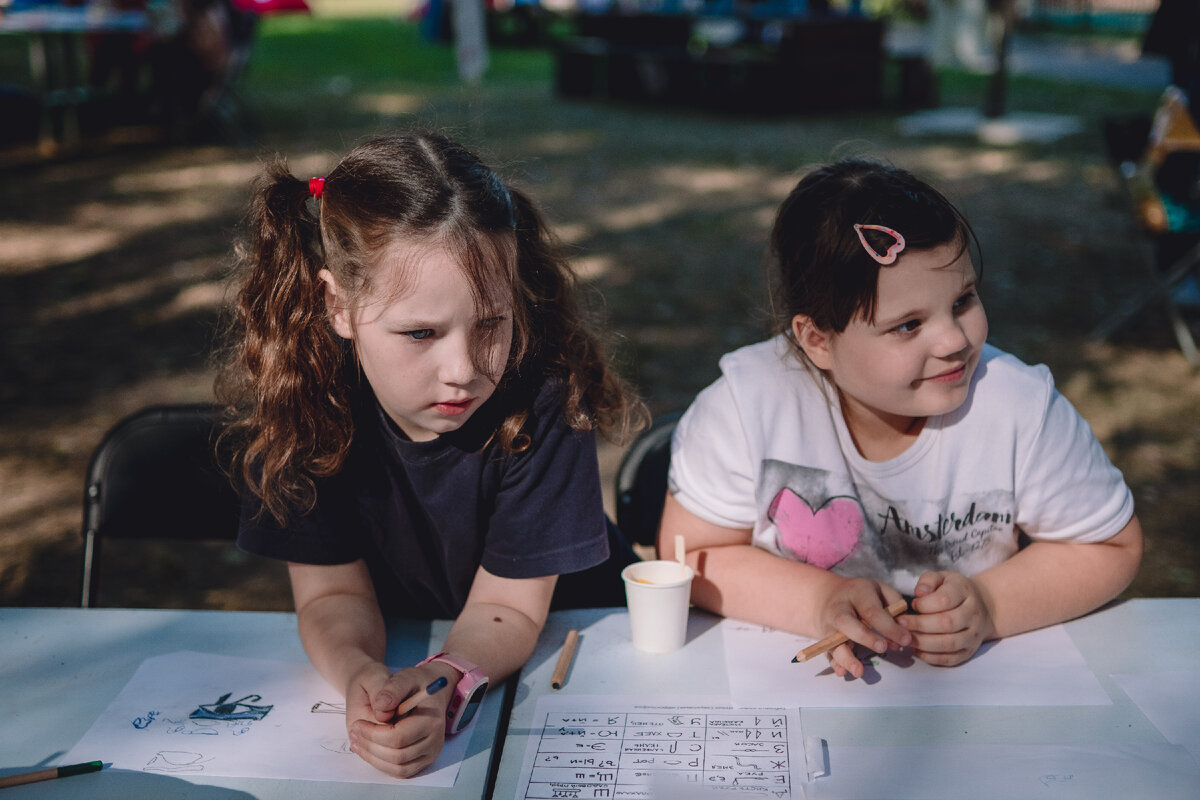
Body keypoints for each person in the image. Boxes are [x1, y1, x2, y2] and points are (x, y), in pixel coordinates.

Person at [215, 131, 645, 777]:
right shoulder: (305, 403)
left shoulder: (547, 397)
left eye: (492, 324)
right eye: (421, 332)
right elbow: (331, 595)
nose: (464, 370)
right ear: (339, 305)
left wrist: (444, 678)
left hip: (577, 661)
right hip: (428, 652)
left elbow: (510, 608)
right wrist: (364, 679)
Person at [659, 159, 1143, 680]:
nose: (955, 340)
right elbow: (693, 553)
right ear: (818, 340)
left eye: (963, 300)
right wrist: (821, 601)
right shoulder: (745, 407)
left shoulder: (1020, 407)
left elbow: (1109, 545)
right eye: (908, 325)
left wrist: (990, 605)